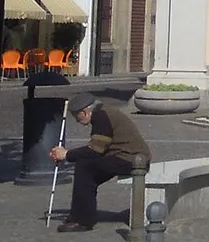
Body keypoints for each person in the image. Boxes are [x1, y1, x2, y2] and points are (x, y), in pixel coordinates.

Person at [51, 94, 151, 231]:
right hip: (127, 156)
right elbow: (98, 147)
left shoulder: (101, 117)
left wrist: (67, 154)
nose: (77, 121)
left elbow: (95, 150)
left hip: (130, 159)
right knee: (87, 170)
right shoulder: (102, 112)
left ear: (85, 112)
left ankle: (82, 220)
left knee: (85, 168)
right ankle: (80, 215)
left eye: (76, 116)